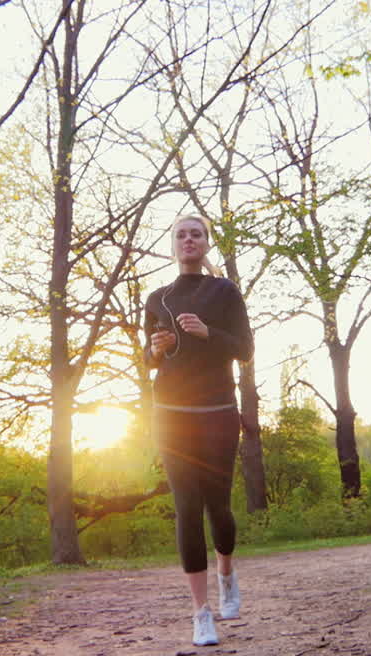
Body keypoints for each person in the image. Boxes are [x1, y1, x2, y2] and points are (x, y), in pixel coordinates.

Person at [144, 213, 253, 647]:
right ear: (173, 245)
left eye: (196, 233)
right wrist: (156, 349)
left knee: (218, 508)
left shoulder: (225, 292)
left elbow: (245, 350)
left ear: (206, 243)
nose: (189, 239)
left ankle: (226, 573)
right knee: (186, 507)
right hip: (171, 413)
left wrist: (208, 333)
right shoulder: (158, 297)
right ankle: (200, 612)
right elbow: (148, 360)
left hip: (218, 411)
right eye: (181, 234)